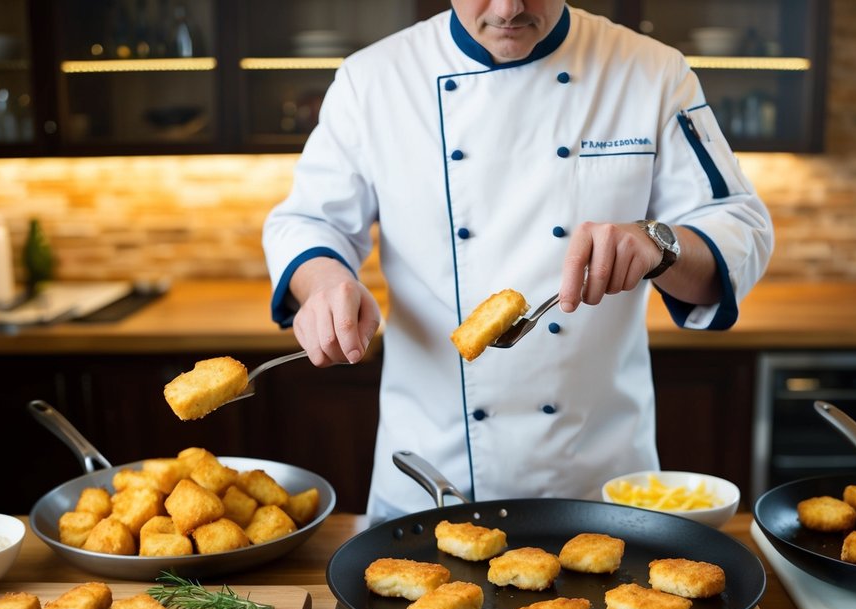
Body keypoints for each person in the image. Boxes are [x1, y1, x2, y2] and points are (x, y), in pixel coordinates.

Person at [263, 1, 773, 522]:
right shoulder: (373, 79)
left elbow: (738, 228)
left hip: (599, 486)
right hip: (431, 477)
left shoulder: (652, 71)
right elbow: (307, 220)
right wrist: (324, 281)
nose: (508, 8)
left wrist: (660, 244)